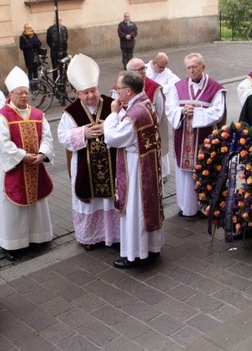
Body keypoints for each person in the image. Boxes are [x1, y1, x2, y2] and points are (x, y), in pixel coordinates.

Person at [0, 67, 54, 261]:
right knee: (13, 211)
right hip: (14, 169)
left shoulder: (37, 114)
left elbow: (47, 137)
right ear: (10, 94)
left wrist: (42, 154)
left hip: (35, 166)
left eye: (26, 92)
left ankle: (38, 238)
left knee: (37, 205)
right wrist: (23, 156)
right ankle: (13, 244)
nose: (25, 96)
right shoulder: (1, 117)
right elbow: (1, 145)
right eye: (20, 93)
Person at [58, 54, 119, 251]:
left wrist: (108, 129)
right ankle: (90, 238)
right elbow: (63, 137)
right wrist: (83, 132)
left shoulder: (113, 104)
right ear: (78, 94)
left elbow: (126, 126)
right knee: (90, 202)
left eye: (93, 90)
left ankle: (113, 235)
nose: (91, 96)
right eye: (86, 93)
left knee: (110, 201)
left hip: (112, 165)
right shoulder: (70, 112)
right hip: (84, 165)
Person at [104, 70, 164, 268]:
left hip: (135, 169)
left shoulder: (134, 115)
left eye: (119, 88)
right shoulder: (145, 104)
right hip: (147, 166)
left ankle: (136, 254)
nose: (117, 92)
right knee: (148, 206)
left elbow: (112, 138)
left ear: (128, 90)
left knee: (135, 209)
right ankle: (152, 248)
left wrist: (113, 114)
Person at [165, 53, 226, 218]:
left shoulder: (215, 88)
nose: (191, 70)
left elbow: (218, 112)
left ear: (202, 67)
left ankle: (204, 206)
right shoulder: (177, 87)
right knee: (184, 173)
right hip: (183, 137)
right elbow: (170, 108)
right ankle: (186, 207)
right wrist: (181, 111)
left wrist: (197, 112)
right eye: (188, 68)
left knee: (204, 170)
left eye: (195, 67)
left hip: (204, 138)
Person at [126, 58, 171, 179]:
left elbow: (160, 113)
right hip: (128, 137)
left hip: (148, 136)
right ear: (129, 72)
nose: (143, 71)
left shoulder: (154, 88)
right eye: (139, 69)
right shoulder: (119, 88)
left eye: (144, 68)